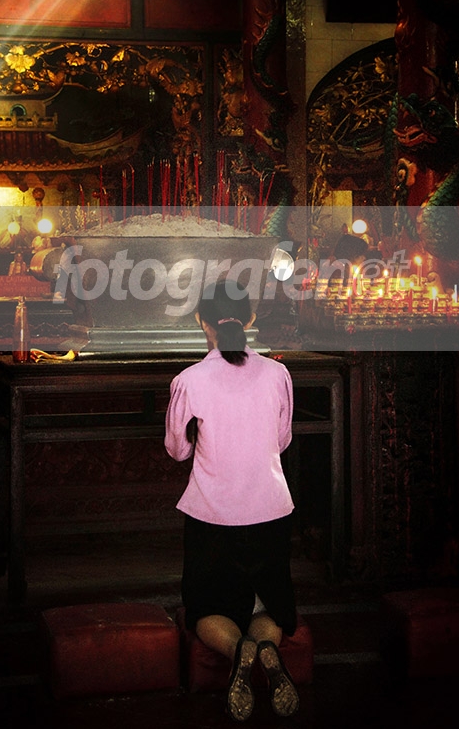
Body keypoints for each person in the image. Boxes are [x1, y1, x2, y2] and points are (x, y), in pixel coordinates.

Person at [165, 278, 300, 722]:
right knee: (269, 605)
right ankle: (265, 649)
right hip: (271, 513)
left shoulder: (189, 380)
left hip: (211, 517)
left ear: (201, 322)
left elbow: (177, 450)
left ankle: (238, 648)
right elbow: (281, 440)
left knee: (205, 609)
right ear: (251, 318)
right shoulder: (278, 374)